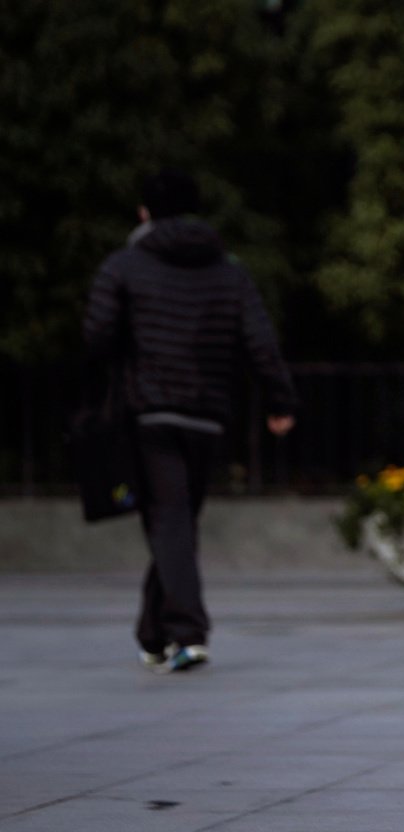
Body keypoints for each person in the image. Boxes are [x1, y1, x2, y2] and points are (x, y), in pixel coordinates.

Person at [83, 168, 298, 673]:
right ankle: (153, 634)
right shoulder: (228, 270)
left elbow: (96, 335)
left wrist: (104, 389)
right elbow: (260, 342)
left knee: (168, 518)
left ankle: (187, 631)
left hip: (149, 412)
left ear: (143, 212)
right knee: (176, 517)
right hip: (208, 414)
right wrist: (280, 401)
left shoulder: (125, 265)